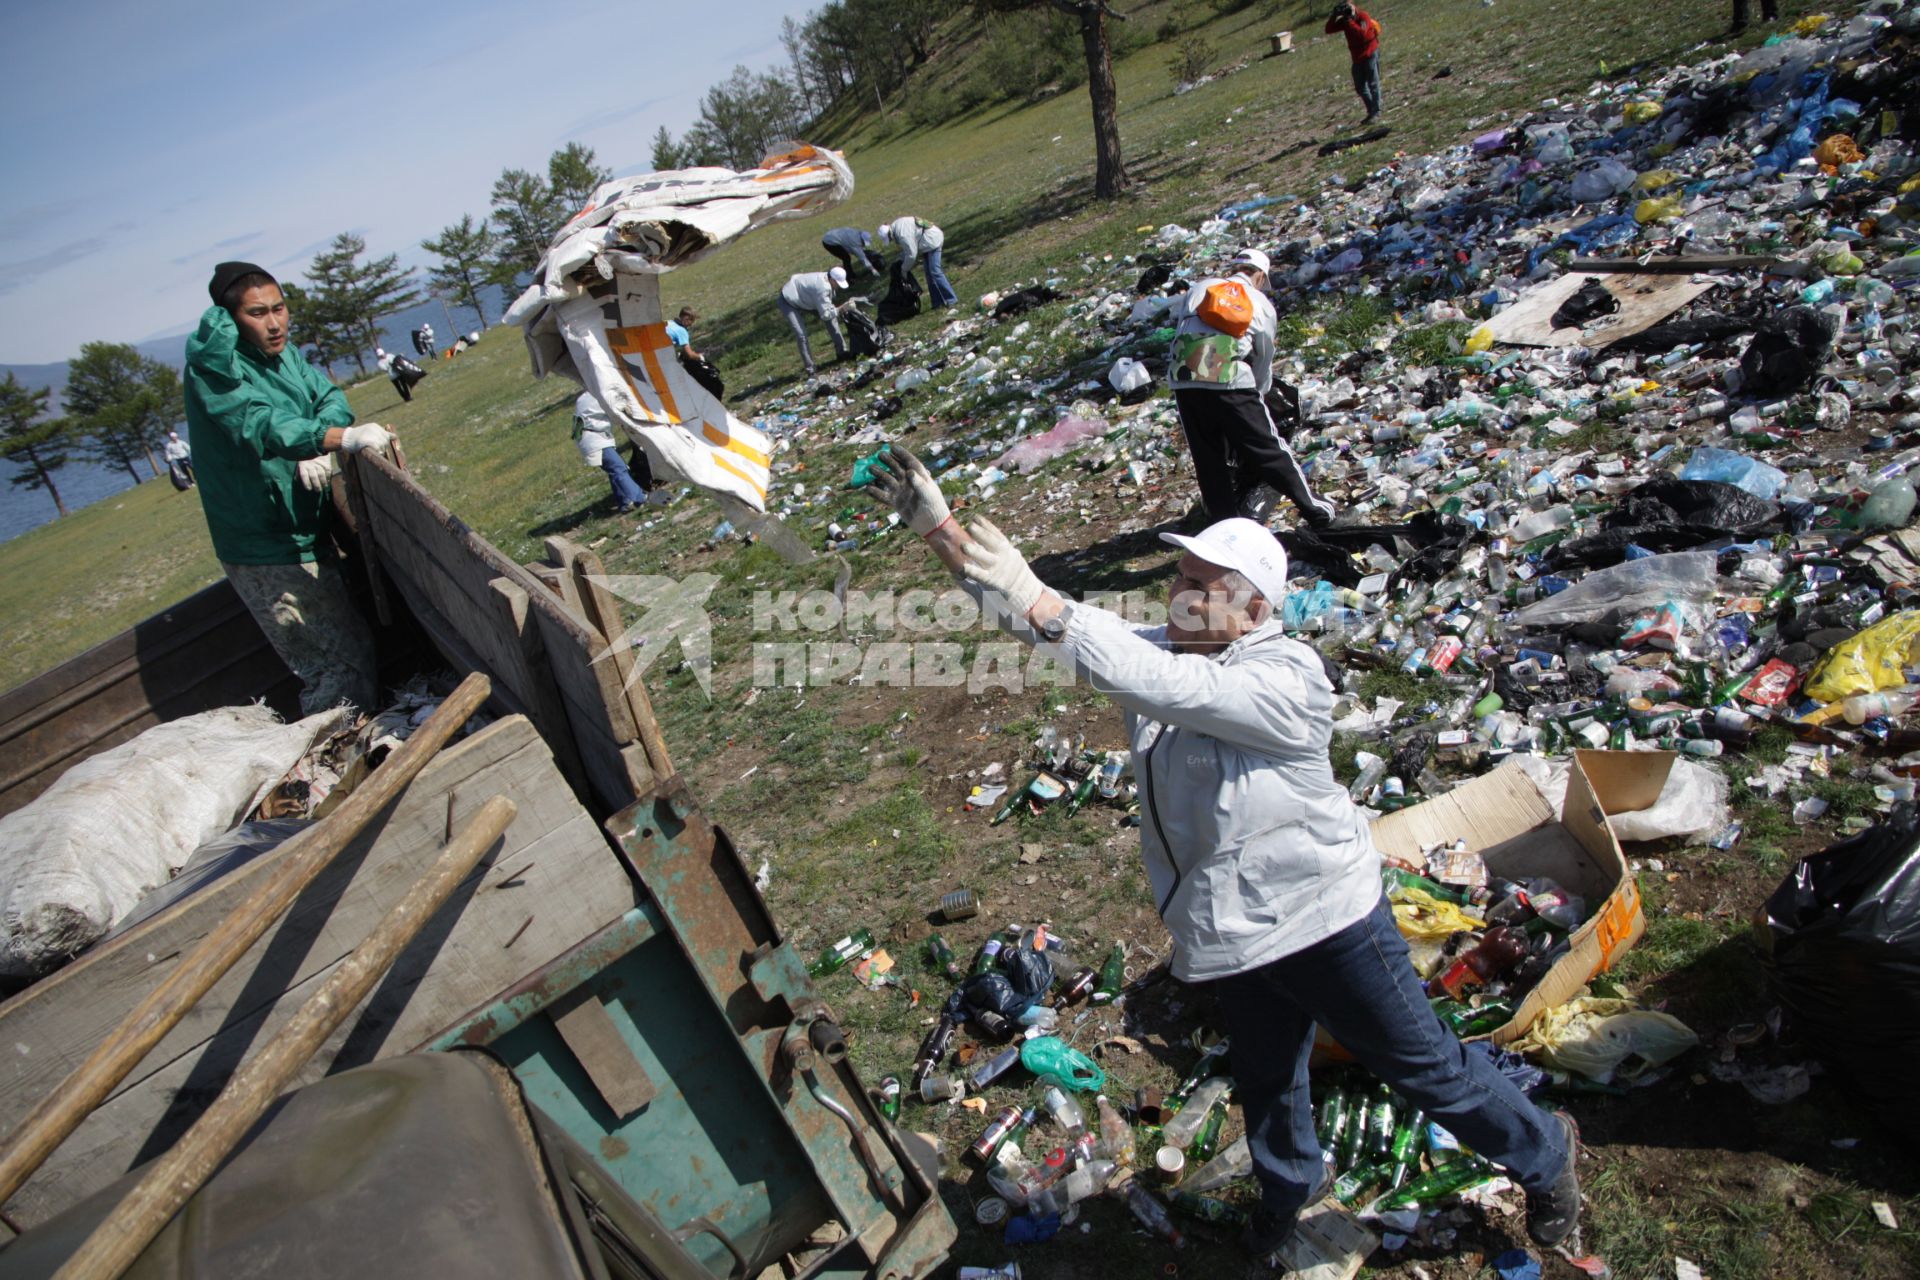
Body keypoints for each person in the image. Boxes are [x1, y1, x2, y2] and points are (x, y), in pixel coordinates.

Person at [862, 443, 1584, 1261]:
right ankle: (1287, 1192)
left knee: (1424, 1069)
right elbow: (1046, 624)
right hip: (1231, 932)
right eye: (1179, 580)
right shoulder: (1164, 648)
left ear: (1252, 611)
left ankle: (1546, 1156)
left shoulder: (1285, 677)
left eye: (1202, 589)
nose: (1179, 598)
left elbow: (1164, 686)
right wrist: (943, 532)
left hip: (1324, 920)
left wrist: (1042, 599)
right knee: (1269, 1082)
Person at [183, 261, 393, 715]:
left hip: (302, 525)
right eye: (258, 313)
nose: (275, 323)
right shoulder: (214, 371)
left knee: (352, 651)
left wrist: (317, 444)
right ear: (230, 319)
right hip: (265, 540)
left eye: (279, 308)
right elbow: (256, 423)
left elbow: (330, 399)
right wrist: (334, 439)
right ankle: (330, 771)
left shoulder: (283, 354)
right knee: (334, 669)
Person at [1168, 249, 1335, 528]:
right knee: (1267, 448)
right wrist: (1258, 393)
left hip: (1185, 378)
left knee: (1208, 459)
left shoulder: (1201, 288)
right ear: (1260, 275)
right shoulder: (1261, 303)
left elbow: (1184, 331)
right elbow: (1263, 357)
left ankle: (1224, 527)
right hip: (1230, 379)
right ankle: (1316, 509)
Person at [573, 391, 649, 512]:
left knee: (614, 470)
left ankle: (624, 503)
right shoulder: (600, 395)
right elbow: (620, 409)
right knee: (619, 468)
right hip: (594, 440)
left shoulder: (583, 398)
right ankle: (639, 498)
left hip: (587, 439)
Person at [776, 265, 849, 377]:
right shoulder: (821, 288)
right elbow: (825, 315)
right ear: (832, 279)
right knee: (801, 334)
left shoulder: (827, 280)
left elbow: (828, 310)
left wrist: (835, 310)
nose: (838, 287)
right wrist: (840, 309)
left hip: (805, 297)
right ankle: (810, 368)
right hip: (788, 299)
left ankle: (842, 352)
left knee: (832, 318)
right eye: (838, 284)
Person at [878, 216, 957, 309]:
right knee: (929, 275)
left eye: (889, 239)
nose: (891, 241)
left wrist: (904, 270)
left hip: (933, 241)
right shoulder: (897, 225)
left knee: (935, 272)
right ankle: (937, 303)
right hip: (927, 243)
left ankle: (951, 299)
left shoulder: (902, 234)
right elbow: (909, 248)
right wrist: (899, 258)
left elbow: (911, 254)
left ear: (889, 234)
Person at [1325, 3, 1383, 123]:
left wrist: (1350, 20)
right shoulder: (1345, 21)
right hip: (1357, 57)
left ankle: (1376, 112)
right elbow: (1329, 30)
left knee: (1373, 83)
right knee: (1360, 87)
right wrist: (1333, 16)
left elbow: (1362, 34)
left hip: (1370, 53)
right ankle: (1371, 109)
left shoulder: (1363, 16)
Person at [821, 226, 887, 278]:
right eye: (864, 243)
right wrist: (872, 269)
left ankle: (851, 275)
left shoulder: (857, 233)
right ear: (862, 240)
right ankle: (850, 277)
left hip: (831, 236)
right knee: (846, 258)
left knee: (846, 256)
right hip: (829, 242)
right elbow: (862, 258)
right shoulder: (855, 242)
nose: (864, 245)